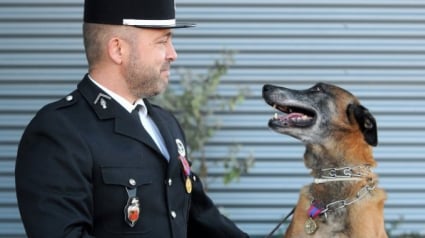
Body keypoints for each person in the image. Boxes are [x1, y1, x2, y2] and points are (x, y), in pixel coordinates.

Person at [14, 0, 249, 237]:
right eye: (162, 41)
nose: (173, 54)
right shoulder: (60, 131)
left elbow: (199, 217)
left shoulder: (166, 124)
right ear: (118, 49)